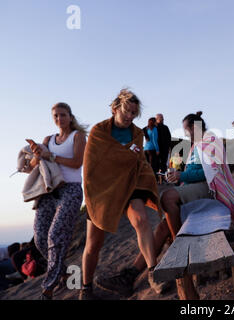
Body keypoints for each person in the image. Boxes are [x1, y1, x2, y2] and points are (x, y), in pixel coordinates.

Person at [94, 111, 234, 297]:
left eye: (188, 130)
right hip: (195, 188)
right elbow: (193, 173)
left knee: (167, 198)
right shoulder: (197, 145)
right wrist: (178, 178)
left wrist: (182, 176)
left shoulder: (210, 141)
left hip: (209, 190)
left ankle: (179, 245)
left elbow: (210, 173)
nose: (187, 134)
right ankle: (131, 275)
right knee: (163, 226)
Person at [80, 89, 163, 300]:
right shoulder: (99, 131)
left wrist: (135, 162)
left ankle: (154, 272)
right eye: (127, 111)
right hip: (103, 190)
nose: (130, 117)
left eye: (134, 113)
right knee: (93, 244)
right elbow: (93, 167)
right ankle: (86, 287)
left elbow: (137, 160)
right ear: (116, 108)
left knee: (141, 219)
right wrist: (127, 154)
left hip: (129, 183)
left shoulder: (137, 133)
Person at [27, 102, 87, 299]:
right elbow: (34, 165)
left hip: (71, 190)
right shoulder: (48, 139)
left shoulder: (77, 136)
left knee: (56, 235)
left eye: (62, 115)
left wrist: (50, 155)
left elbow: (78, 162)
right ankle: (64, 272)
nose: (59, 119)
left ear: (70, 116)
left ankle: (48, 289)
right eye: (55, 116)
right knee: (40, 238)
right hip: (49, 190)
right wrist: (37, 153)